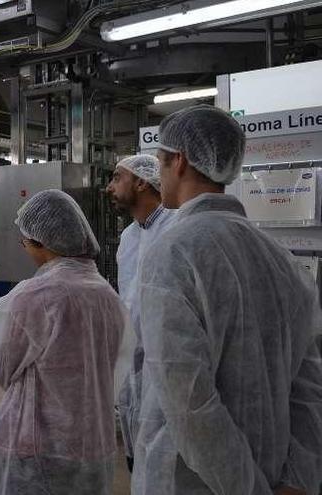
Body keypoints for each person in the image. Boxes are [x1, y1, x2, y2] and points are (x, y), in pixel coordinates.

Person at [133, 104, 322, 495]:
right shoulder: (280, 259)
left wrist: (246, 488)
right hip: (274, 474)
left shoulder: (172, 253)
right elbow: (308, 388)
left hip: (193, 480)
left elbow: (189, 403)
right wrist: (297, 480)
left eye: (160, 162)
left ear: (179, 161)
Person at [0, 189, 125, 495]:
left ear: (41, 242)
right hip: (92, 441)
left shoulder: (34, 296)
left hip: (37, 446)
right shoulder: (107, 294)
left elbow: (5, 371)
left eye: (25, 241)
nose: (24, 247)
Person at [105, 154, 177, 471]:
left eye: (117, 178)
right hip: (133, 366)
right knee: (138, 457)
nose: (110, 187)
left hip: (169, 365)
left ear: (141, 182)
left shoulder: (176, 230)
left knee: (166, 458)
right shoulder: (128, 238)